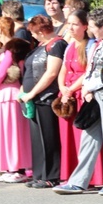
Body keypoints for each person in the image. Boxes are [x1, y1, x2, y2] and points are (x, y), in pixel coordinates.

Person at [53, 7, 103, 196]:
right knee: (89, 137)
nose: (90, 30)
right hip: (94, 95)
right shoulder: (100, 43)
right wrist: (86, 87)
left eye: (93, 26)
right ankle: (78, 181)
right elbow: (92, 69)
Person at [56, 9, 103, 187]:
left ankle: (93, 177)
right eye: (69, 24)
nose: (70, 27)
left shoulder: (91, 45)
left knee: (84, 138)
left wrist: (70, 89)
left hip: (80, 95)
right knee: (67, 138)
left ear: (85, 26)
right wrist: (62, 88)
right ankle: (71, 175)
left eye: (75, 24)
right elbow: (63, 69)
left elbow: (87, 72)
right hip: (67, 96)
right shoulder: (69, 46)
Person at [0, 17, 32, 183]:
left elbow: (1, 72)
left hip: (9, 94)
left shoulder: (10, 50)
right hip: (3, 95)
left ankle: (17, 167)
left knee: (12, 131)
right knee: (7, 131)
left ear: (0, 30)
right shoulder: (8, 50)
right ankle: (10, 166)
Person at [18, 15, 67, 189]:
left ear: (40, 31)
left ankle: (51, 176)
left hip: (47, 97)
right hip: (34, 98)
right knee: (37, 139)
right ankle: (39, 174)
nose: (32, 36)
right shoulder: (41, 46)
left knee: (48, 137)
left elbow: (51, 73)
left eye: (34, 32)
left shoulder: (57, 44)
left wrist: (31, 92)